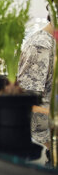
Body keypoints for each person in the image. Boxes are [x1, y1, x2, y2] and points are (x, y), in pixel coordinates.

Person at [17, 12, 55, 149]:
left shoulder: (50, 42)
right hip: (43, 142)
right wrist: (50, 146)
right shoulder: (41, 45)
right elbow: (30, 102)